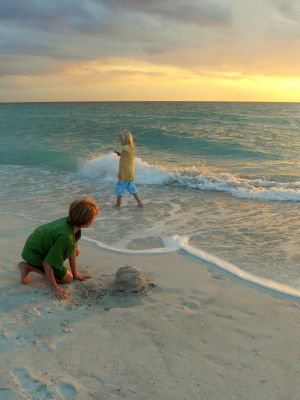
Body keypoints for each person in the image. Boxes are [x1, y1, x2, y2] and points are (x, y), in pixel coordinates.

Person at [18, 197, 99, 300]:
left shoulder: (71, 224)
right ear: (86, 221)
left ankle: (46, 263)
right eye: (93, 218)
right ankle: (28, 266)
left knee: (75, 251)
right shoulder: (66, 237)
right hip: (34, 254)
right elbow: (47, 263)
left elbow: (72, 250)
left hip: (36, 245)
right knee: (68, 279)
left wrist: (75, 274)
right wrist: (54, 288)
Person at [114, 129, 144, 208]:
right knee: (131, 187)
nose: (120, 140)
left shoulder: (125, 149)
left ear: (125, 139)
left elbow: (123, 162)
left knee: (119, 187)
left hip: (125, 171)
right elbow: (127, 158)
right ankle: (140, 203)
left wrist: (120, 172)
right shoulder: (130, 148)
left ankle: (118, 205)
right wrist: (120, 154)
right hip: (130, 171)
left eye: (120, 139)